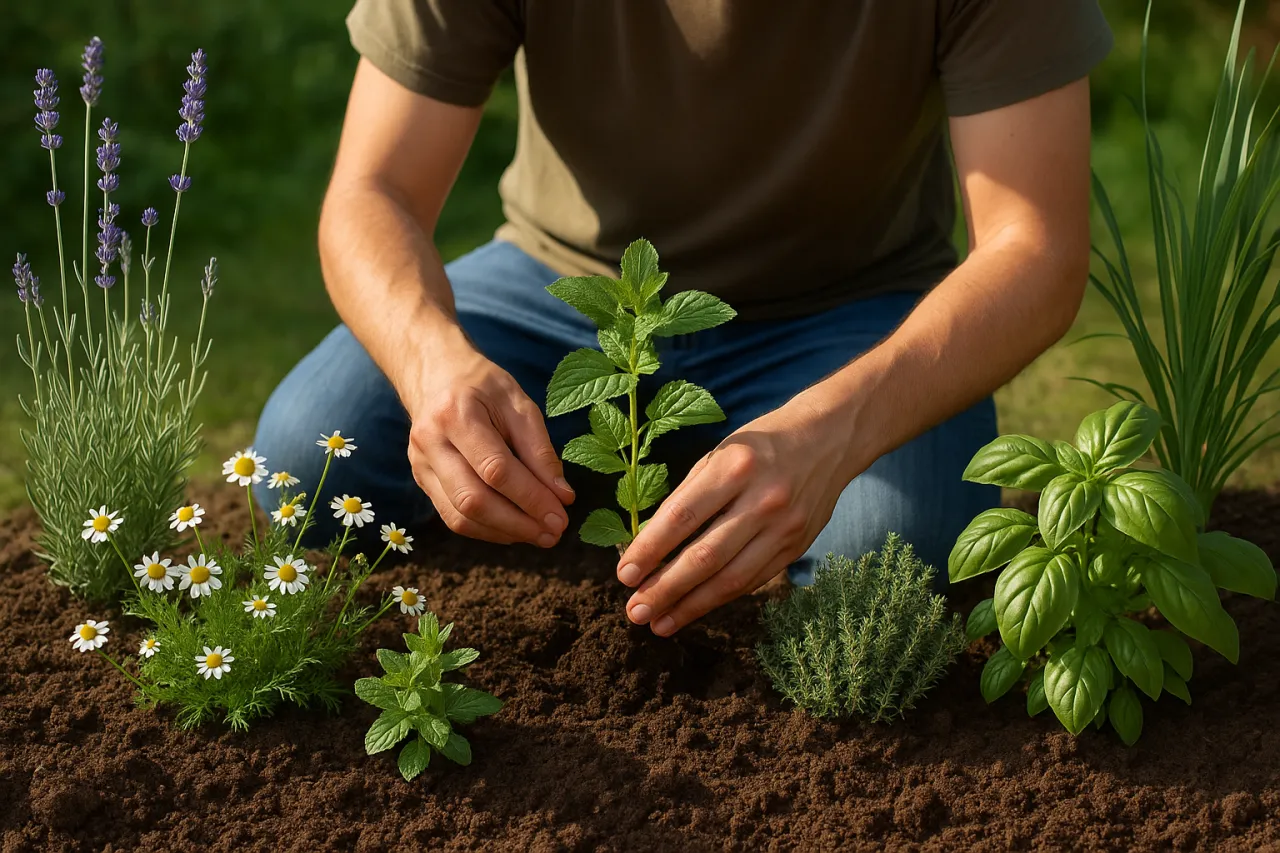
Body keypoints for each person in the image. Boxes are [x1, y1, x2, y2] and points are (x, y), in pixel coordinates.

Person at [254, 1, 1111, 638]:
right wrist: (431, 361)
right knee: (306, 459)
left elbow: (1034, 250)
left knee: (875, 567)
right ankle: (634, 489)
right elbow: (374, 192)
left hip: (851, 320)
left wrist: (835, 431)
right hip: (564, 291)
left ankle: (654, 484)